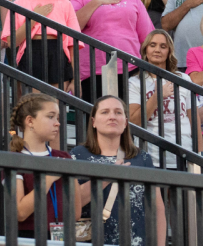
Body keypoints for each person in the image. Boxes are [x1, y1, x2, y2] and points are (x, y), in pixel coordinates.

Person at [70, 96, 166, 246]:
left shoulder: (142, 158)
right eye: (105, 112)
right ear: (93, 122)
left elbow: (157, 208)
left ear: (126, 122)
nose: (112, 117)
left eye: (118, 112)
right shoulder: (78, 154)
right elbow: (73, 203)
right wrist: (108, 177)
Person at [70, 0, 155, 100]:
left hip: (131, 67)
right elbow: (72, 27)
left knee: (127, 118)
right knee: (97, 118)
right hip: (93, 70)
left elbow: (148, 36)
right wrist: (96, 2)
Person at [4, 0, 79, 89]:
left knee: (56, 105)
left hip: (58, 52)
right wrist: (34, 18)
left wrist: (75, 79)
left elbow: (73, 44)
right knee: (34, 105)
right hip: (31, 51)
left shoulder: (64, 3)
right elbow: (11, 41)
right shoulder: (20, 3)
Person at [127, 30, 197, 168]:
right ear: (145, 49)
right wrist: (157, 96)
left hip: (182, 153)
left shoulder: (183, 79)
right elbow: (134, 122)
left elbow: (193, 119)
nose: (157, 50)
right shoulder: (135, 82)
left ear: (169, 51)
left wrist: (198, 155)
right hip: (150, 156)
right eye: (152, 45)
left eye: (163, 46)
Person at [9, 94, 76, 236]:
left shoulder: (64, 157)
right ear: (30, 121)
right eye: (51, 117)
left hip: (62, 236)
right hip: (28, 238)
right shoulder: (14, 159)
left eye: (57, 118)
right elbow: (20, 212)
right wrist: (49, 178)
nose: (57, 123)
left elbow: (75, 212)